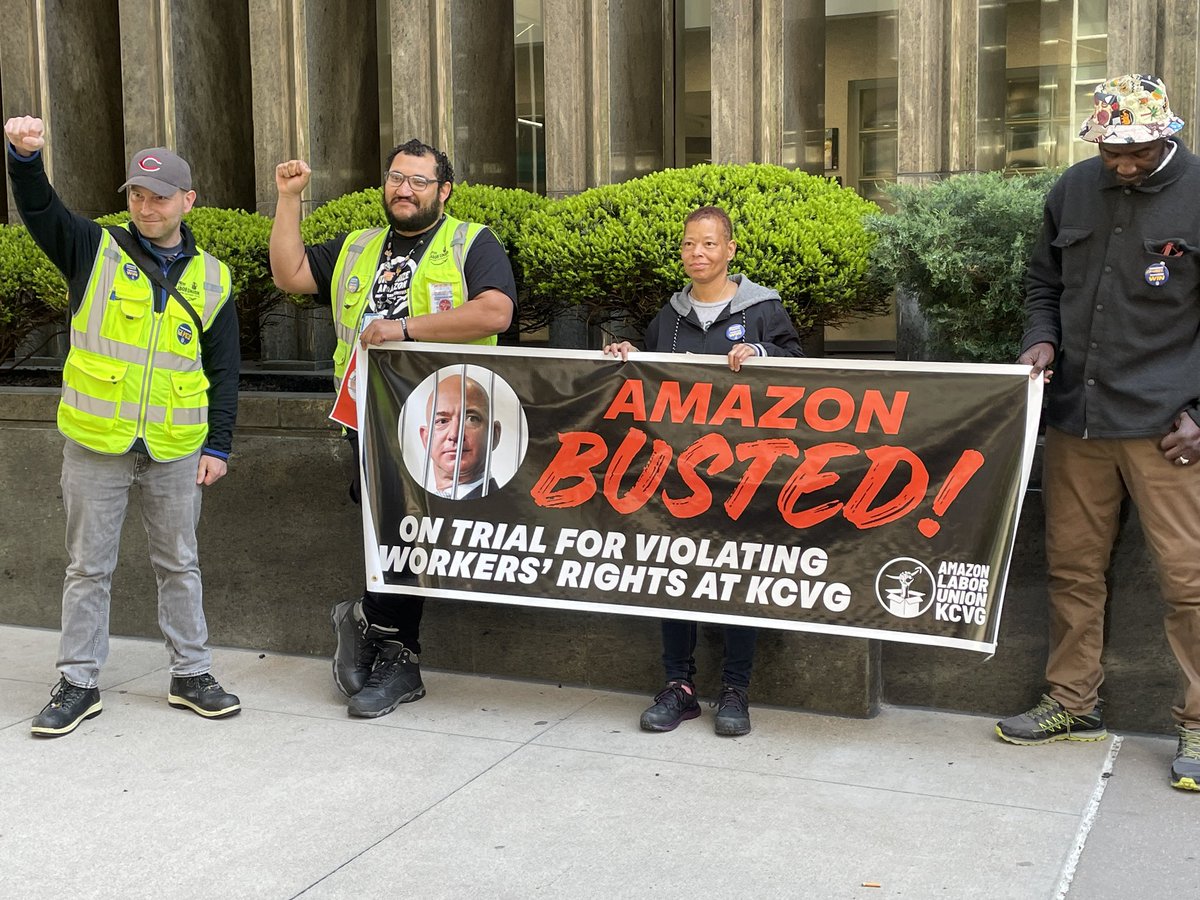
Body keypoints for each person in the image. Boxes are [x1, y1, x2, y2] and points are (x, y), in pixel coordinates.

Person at [994, 74, 1200, 792]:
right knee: (1072, 570)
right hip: (1078, 416)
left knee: (1190, 581)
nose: (1121, 163)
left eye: (1136, 149)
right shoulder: (1073, 191)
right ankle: (1072, 703)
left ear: (1164, 134)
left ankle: (1199, 727)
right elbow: (1042, 284)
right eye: (1111, 148)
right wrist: (1040, 341)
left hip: (1169, 427)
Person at [5, 117, 242, 737]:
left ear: (188, 201)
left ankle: (192, 674)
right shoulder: (94, 247)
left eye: (158, 197)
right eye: (136, 195)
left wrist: (219, 443)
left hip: (175, 447)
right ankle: (78, 683)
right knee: (87, 568)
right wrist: (25, 158)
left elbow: (223, 367)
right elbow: (39, 210)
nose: (145, 206)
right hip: (97, 443)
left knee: (179, 563)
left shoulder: (213, 277)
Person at [269, 138, 516, 718]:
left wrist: (404, 329)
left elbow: (495, 311)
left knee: (416, 534)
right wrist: (287, 200)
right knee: (392, 533)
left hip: (441, 421)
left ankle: (378, 633)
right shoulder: (359, 247)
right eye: (396, 179)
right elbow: (290, 274)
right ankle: (391, 649)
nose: (404, 190)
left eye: (418, 181)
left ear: (444, 190)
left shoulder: (470, 241)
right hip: (369, 420)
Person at [604, 205, 804, 736]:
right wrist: (629, 353)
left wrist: (760, 351)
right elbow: (649, 376)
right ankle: (679, 687)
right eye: (690, 244)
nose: (698, 254)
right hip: (679, 476)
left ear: (731, 250)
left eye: (710, 244)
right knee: (675, 575)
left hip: (747, 475)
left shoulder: (763, 309)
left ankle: (735, 690)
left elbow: (800, 365)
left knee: (741, 577)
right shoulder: (668, 318)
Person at [418, 372, 502, 499]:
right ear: (426, 439)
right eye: (442, 421)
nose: (454, 434)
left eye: (471, 419)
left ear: (494, 435)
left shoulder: (509, 512)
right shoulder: (410, 508)